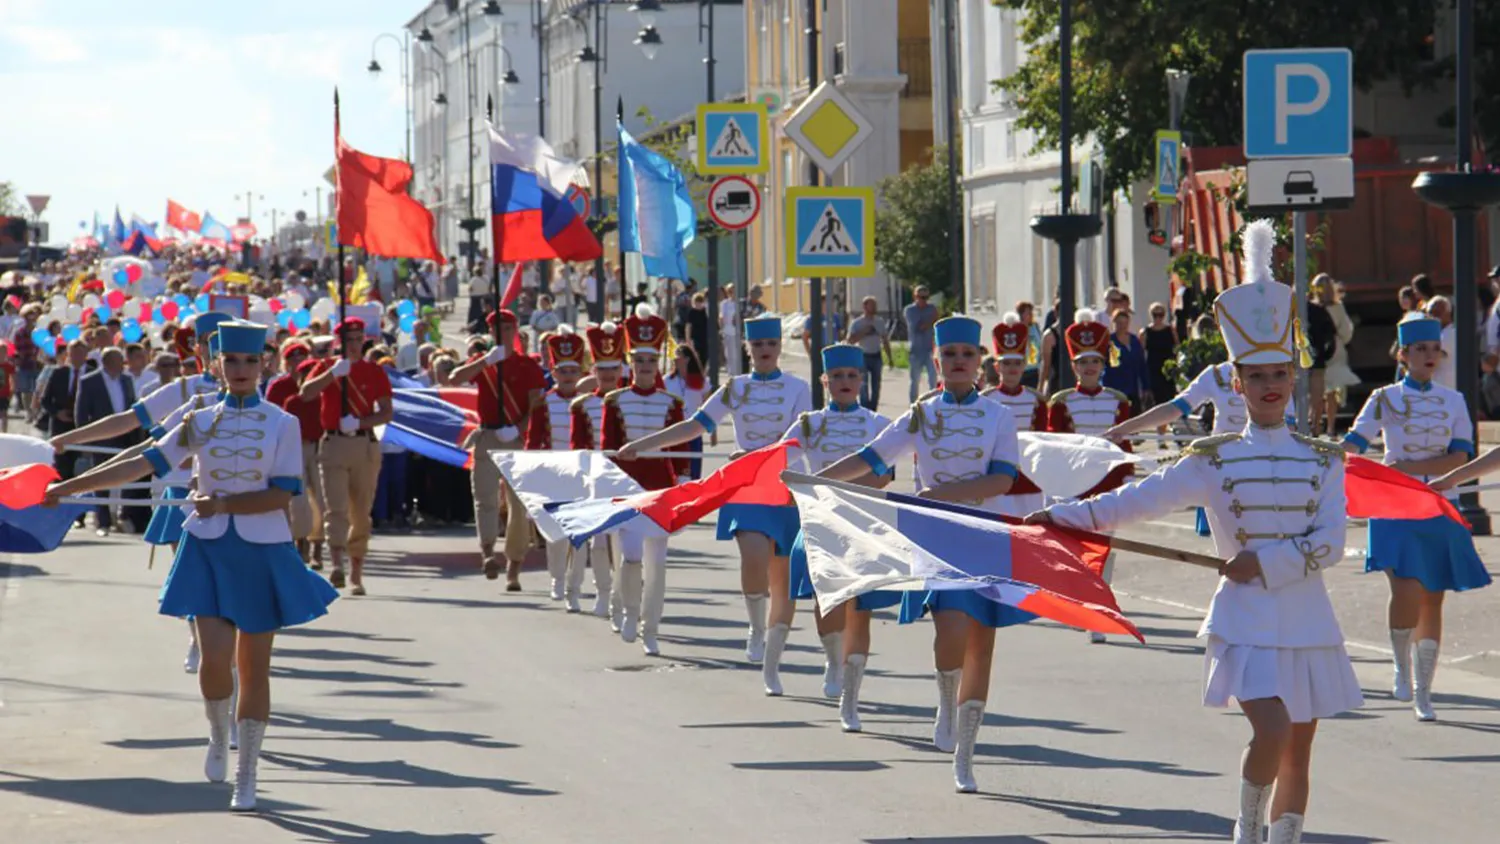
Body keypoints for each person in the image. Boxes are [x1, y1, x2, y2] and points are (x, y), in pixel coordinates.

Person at [1028, 220, 1361, 844]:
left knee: (1299, 751)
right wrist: (1060, 516)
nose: (1268, 388)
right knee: (1271, 732)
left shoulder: (1324, 459)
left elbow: (1330, 543)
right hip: (1244, 620)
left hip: (1307, 618)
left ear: (1292, 380)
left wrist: (1265, 563)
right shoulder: (1212, 459)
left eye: (1278, 375)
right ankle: (1247, 828)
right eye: (1255, 377)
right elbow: (1133, 503)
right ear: (1236, 383)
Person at [44, 319, 339, 813]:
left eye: (250, 360)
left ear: (264, 364)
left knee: (254, 668)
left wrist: (222, 504)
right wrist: (67, 488)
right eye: (232, 361)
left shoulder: (283, 423)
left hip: (261, 550)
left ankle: (247, 774)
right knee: (214, 664)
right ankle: (217, 732)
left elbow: (280, 493)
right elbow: (142, 462)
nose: (241, 369)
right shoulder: (199, 419)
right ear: (217, 365)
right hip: (207, 549)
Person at [818, 316, 1020, 794]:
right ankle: (946, 701)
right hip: (937, 538)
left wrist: (945, 494)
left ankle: (965, 756)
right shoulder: (920, 415)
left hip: (986, 535)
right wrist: (820, 478)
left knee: (981, 648)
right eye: (949, 355)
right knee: (950, 630)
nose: (958, 363)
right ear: (936, 361)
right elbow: (872, 457)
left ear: (979, 363)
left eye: (966, 355)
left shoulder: (998, 417)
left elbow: (1002, 480)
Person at [613, 316, 812, 668]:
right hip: (746, 486)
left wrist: (755, 456)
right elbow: (695, 425)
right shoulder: (735, 387)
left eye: (771, 344)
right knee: (753, 556)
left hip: (785, 486)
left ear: (780, 347)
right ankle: (755, 627)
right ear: (747, 348)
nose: (765, 351)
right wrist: (645, 444)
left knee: (781, 576)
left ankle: (773, 645)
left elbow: (797, 442)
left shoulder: (798, 388)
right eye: (758, 345)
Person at [1345, 313, 1489, 722]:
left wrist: (1403, 466)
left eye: (1434, 350)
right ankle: (1400, 667)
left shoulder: (1454, 400)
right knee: (1405, 587)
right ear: (1404, 354)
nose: (1430, 356)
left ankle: (1424, 692)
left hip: (1438, 502)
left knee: (1433, 598)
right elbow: (1354, 444)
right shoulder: (1383, 398)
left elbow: (1460, 455)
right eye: (1420, 350)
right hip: (1391, 501)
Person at [781, 344, 894, 714]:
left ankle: (851, 678)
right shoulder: (809, 423)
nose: (845, 382)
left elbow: (886, 475)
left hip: (864, 520)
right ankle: (833, 658)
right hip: (820, 518)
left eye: (852, 376)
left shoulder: (878, 424)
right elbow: (781, 459)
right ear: (825, 381)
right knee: (824, 596)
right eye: (838, 377)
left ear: (861, 379)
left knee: (859, 602)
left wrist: (849, 491)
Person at [601, 306, 686, 655]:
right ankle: (630, 614)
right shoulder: (615, 401)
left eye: (651, 363)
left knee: (658, 561)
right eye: (639, 363)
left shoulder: (671, 403)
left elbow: (681, 449)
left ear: (658, 365)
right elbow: (607, 446)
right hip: (627, 489)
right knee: (631, 558)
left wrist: (683, 484)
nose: (646, 369)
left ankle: (652, 628)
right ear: (631, 365)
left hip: (661, 489)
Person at [1047, 309, 1133, 640]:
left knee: (1106, 547)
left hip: (1108, 481)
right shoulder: (1061, 401)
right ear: (1074, 367)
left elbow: (1123, 443)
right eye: (1083, 362)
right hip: (1076, 482)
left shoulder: (1118, 401)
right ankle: (1082, 600)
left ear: (1103, 364)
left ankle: (1099, 606)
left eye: (1095, 361)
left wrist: (1127, 476)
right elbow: (1055, 446)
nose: (1089, 368)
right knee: (1078, 547)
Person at [449, 311, 547, 590]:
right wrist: (485, 360)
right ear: (490, 331)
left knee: (518, 504)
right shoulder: (484, 363)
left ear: (515, 329)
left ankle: (514, 565)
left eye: (507, 327)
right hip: (488, 434)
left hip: (516, 438)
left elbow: (535, 406)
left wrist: (518, 429)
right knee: (484, 497)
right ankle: (488, 552)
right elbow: (455, 378)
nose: (502, 332)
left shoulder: (527, 365)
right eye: (496, 328)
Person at [297, 318, 394, 596]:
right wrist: (332, 375)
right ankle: (337, 564)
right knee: (335, 508)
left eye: (358, 339)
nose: (354, 345)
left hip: (364, 445)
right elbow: (306, 393)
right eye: (349, 340)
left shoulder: (374, 372)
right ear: (340, 342)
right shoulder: (329, 366)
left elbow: (386, 411)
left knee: (361, 511)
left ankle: (356, 570)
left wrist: (361, 423)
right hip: (334, 444)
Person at [525, 326, 608, 612]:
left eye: (574, 371)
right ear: (554, 372)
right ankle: (557, 579)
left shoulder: (590, 403)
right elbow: (533, 444)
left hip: (584, 476)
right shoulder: (542, 403)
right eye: (563, 371)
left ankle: (574, 587)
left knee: (581, 538)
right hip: (553, 475)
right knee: (556, 536)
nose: (569, 377)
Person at [570, 320, 628, 622]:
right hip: (595, 478)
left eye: (613, 369)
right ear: (594, 372)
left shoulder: (629, 401)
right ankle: (604, 592)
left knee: (626, 541)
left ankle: (624, 593)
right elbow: (578, 445)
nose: (607, 375)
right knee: (599, 540)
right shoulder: (581, 405)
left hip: (626, 479)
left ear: (620, 371)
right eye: (602, 369)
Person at [74, 347, 147, 534]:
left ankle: (123, 516)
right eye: (117, 361)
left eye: (121, 361)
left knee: (128, 476)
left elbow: (132, 406)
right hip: (101, 439)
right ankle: (104, 521)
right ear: (106, 362)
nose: (121, 365)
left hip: (126, 438)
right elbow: (81, 413)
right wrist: (85, 439)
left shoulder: (127, 380)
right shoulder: (89, 381)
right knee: (101, 480)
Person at [265, 339, 324, 568]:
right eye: (294, 360)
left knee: (321, 498)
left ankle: (318, 544)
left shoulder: (319, 386)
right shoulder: (280, 388)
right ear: (286, 363)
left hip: (318, 446)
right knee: (298, 500)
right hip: (292, 447)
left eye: (304, 359)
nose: (300, 364)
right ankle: (301, 543)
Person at [1316, 276, 1359, 437]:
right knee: (1330, 391)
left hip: (1318, 350)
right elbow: (1346, 332)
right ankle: (1330, 427)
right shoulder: (1338, 307)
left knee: (1320, 390)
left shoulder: (1312, 307)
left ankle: (1318, 424)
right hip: (1335, 349)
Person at [663, 345, 709, 480]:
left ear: (687, 359)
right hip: (674, 430)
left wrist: (713, 432)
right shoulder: (667, 381)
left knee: (694, 469)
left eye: (678, 358)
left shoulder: (701, 381)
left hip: (694, 429)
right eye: (673, 359)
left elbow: (707, 406)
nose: (675, 361)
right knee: (675, 469)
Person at [846, 296, 891, 411]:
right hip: (862, 356)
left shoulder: (879, 322)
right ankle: (865, 408)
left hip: (876, 355)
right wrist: (864, 332)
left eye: (875, 305)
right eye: (872, 305)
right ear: (864, 307)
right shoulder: (857, 323)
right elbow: (850, 340)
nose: (874, 308)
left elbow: (885, 339)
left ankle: (873, 409)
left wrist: (890, 357)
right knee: (863, 385)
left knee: (876, 385)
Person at [903, 287, 938, 401]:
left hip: (930, 350)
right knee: (914, 381)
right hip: (915, 350)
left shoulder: (931, 309)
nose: (924, 300)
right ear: (915, 297)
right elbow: (917, 327)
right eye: (921, 297)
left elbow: (936, 324)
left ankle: (933, 403)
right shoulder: (910, 310)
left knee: (933, 380)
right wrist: (931, 320)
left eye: (926, 297)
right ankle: (913, 405)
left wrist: (932, 320)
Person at [1140, 302, 1178, 407]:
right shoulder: (1145, 332)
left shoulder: (1171, 330)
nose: (1157, 318)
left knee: (1169, 398)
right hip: (1153, 369)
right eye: (1154, 315)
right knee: (1156, 400)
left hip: (1168, 369)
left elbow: (1177, 348)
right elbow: (1141, 353)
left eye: (1160, 315)